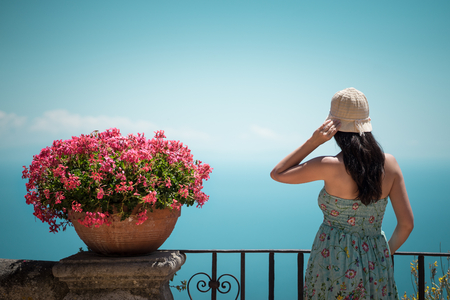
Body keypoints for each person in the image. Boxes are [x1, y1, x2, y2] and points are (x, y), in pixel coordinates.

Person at [270, 87, 414, 299]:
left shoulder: (329, 165)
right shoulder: (390, 164)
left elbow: (278, 173)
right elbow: (407, 224)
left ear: (334, 126)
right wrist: (381, 254)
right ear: (366, 124)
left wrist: (314, 142)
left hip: (331, 263)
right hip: (376, 263)